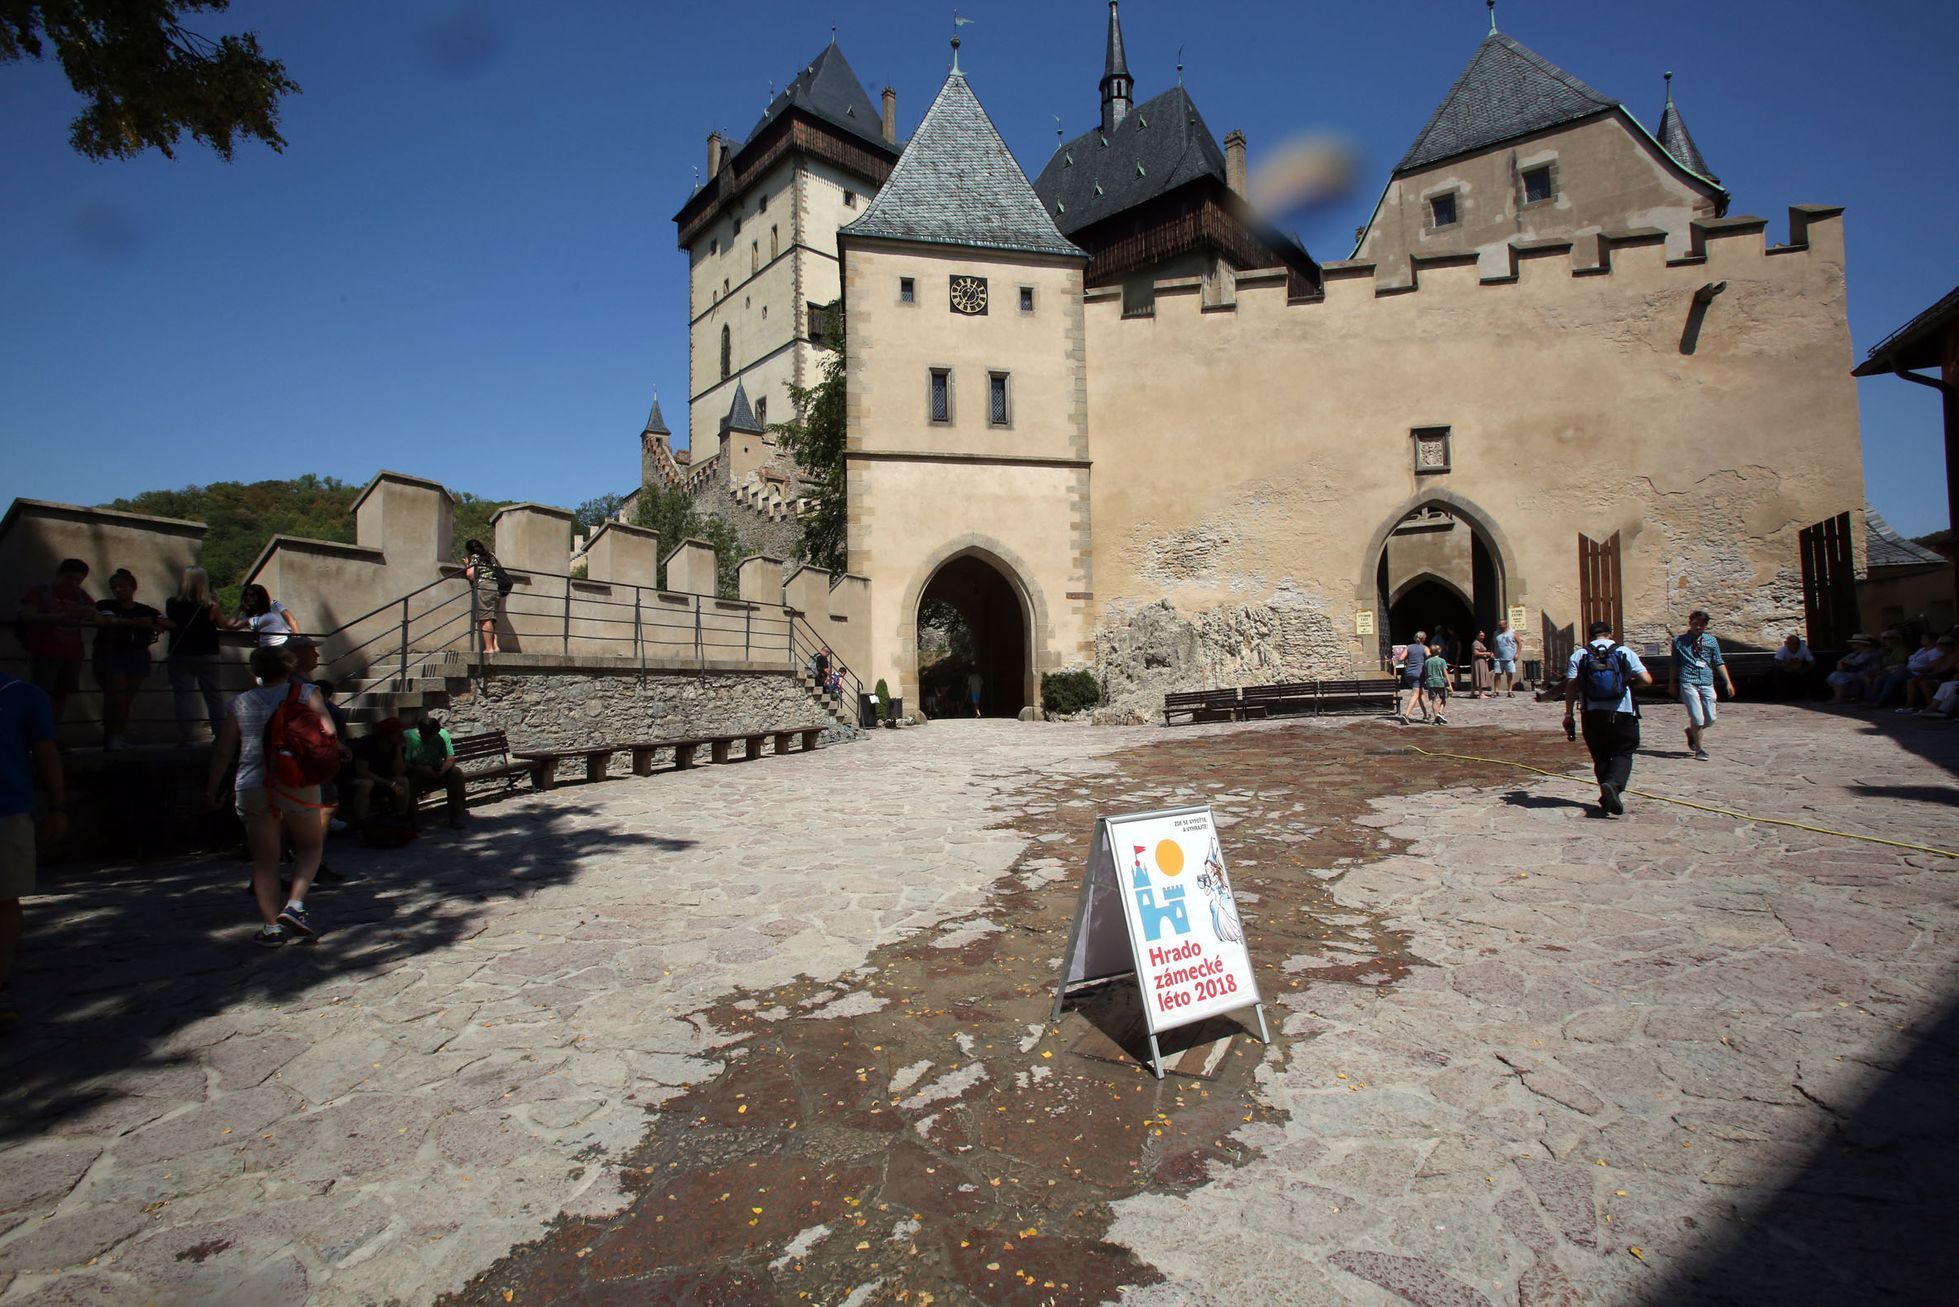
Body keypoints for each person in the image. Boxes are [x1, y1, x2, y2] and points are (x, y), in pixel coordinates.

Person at [206, 645, 336, 947]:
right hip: (296, 779)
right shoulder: (306, 694)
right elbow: (328, 731)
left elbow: (224, 751)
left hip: (252, 782)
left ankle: (270, 927)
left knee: (265, 861)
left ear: (256, 670)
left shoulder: (240, 702)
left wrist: (212, 790)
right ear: (289, 667)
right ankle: (294, 906)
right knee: (309, 847)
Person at [0, 673, 63, 1026]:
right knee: (6, 902)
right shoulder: (23, 694)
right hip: (8, 812)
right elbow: (46, 754)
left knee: (6, 901)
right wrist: (57, 806)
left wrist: (56, 806)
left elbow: (46, 753)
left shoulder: (22, 694)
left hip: (8, 810)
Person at [1564, 620, 1653, 817]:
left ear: (1589, 636)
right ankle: (1613, 785)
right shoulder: (1624, 652)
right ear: (1610, 634)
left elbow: (1571, 686)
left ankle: (1607, 798)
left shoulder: (1580, 655)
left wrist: (1568, 714)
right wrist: (1629, 681)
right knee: (1624, 751)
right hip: (1622, 711)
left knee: (1600, 755)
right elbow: (1647, 679)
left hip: (1591, 712)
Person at [92, 569, 170, 750]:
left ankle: (117, 735)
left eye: (122, 586)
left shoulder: (146, 609)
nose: (118, 590)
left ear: (132, 587)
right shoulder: (106, 605)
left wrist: (151, 623)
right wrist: (138, 623)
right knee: (118, 695)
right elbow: (109, 622)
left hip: (138, 653)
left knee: (127, 697)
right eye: (114, 587)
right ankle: (111, 735)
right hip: (112, 653)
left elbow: (169, 623)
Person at [15, 558, 96, 726]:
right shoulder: (40, 590)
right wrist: (57, 618)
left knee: (61, 695)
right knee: (41, 694)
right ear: (59, 574)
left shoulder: (81, 595)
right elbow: (27, 615)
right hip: (45, 650)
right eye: (69, 578)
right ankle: (38, 735)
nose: (73, 583)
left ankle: (53, 734)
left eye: (78, 580)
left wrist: (87, 613)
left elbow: (94, 614)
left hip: (72, 653)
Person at [165, 566, 235, 745]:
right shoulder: (211, 606)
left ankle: (186, 735)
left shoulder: (172, 603)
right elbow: (225, 625)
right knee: (213, 695)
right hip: (207, 654)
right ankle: (219, 734)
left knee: (183, 696)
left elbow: (174, 622)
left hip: (180, 654)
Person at [1668, 609, 1736, 761]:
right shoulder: (1679, 641)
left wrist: (1728, 682)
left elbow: (1718, 661)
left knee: (1710, 719)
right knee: (1697, 718)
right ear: (1690, 623)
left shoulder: (1711, 641)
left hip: (1706, 680)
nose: (1697, 627)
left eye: (1701, 624)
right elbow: (1674, 664)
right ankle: (1699, 749)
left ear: (1705, 625)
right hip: (1688, 680)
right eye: (1695, 624)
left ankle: (1691, 731)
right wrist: (1672, 683)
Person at [345, 717, 411, 826]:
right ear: (387, 734)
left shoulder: (397, 746)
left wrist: (399, 749)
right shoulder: (367, 743)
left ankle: (399, 817)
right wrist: (390, 783)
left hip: (383, 779)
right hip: (359, 779)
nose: (401, 737)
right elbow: (362, 772)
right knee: (366, 784)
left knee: (403, 781)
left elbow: (398, 772)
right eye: (397, 734)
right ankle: (360, 822)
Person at [404, 715, 467, 829]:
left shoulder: (442, 735)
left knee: (456, 773)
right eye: (427, 736)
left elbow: (450, 757)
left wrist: (442, 770)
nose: (430, 739)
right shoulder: (408, 737)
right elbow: (404, 764)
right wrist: (422, 769)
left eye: (433, 736)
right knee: (408, 780)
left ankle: (456, 815)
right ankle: (413, 818)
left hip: (437, 770)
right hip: (417, 772)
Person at [462, 538, 507, 654]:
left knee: (485, 618)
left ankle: (489, 648)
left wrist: (468, 565)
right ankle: (495, 646)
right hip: (497, 587)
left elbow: (471, 575)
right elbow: (500, 568)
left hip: (485, 587)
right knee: (491, 618)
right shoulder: (491, 556)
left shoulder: (475, 557)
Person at [1903, 635, 1958, 713]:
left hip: (1948, 679)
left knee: (1924, 683)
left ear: (1952, 645)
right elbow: (1932, 668)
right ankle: (1911, 705)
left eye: (1945, 644)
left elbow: (1950, 671)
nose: (1942, 646)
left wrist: (1929, 675)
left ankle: (1932, 707)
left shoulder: (1955, 656)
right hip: (1939, 678)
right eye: (1940, 644)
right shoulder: (1942, 656)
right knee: (1913, 681)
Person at [239, 583, 299, 647]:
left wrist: (297, 640)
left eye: (252, 595)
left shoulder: (273, 605)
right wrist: (239, 609)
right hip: (265, 644)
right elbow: (233, 626)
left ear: (260, 596)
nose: (248, 597)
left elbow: (291, 620)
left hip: (283, 640)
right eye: (246, 595)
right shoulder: (246, 613)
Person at [1826, 634, 1881, 704]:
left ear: (1862, 644)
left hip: (1867, 672)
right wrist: (1841, 663)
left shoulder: (1870, 652)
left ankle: (1839, 698)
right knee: (1834, 676)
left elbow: (1857, 663)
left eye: (1855, 642)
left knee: (1838, 676)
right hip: (1856, 672)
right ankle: (1842, 697)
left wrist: (1845, 662)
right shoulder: (1857, 652)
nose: (1852, 644)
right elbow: (1842, 660)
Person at [1395, 631, 1429, 725]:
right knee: (1415, 694)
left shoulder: (1409, 647)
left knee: (1420, 693)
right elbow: (1429, 658)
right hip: (1419, 673)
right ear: (1424, 639)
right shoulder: (1425, 648)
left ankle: (1425, 715)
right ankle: (1406, 715)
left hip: (1409, 673)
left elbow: (1401, 658)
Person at [1771, 632, 1815, 698]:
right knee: (1777, 673)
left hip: (1800, 669)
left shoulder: (1804, 649)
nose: (1795, 646)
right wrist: (1788, 665)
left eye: (1797, 644)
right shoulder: (1782, 650)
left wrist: (1806, 669)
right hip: (1786, 670)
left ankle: (1811, 695)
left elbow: (1812, 662)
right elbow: (1776, 663)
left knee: (1812, 672)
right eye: (1792, 644)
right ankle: (1780, 696)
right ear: (1787, 644)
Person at [1422, 644, 1451, 724]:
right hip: (1440, 682)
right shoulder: (1442, 661)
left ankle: (1436, 718)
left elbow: (1425, 673)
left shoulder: (1427, 661)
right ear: (1439, 651)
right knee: (1443, 699)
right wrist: (1449, 685)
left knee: (1434, 700)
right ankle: (1440, 713)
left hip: (1430, 682)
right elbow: (1446, 673)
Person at [1493, 619, 1521, 696]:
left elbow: (1519, 643)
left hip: (1510, 658)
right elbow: (1492, 643)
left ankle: (1509, 691)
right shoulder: (1496, 633)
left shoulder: (1512, 632)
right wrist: (1492, 652)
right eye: (1498, 625)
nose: (1499, 627)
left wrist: (1517, 654)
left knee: (1510, 674)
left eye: (1500, 625)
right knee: (1497, 674)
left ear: (1505, 625)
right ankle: (1496, 691)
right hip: (1498, 658)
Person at [1470, 630, 1495, 698]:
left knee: (1477, 676)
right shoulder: (1476, 643)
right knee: (1479, 676)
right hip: (1479, 662)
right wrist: (1487, 653)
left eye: (1483, 636)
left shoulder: (1479, 643)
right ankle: (1481, 694)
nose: (1482, 637)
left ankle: (1472, 693)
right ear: (1477, 635)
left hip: (1481, 661)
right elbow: (1476, 653)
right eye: (1481, 635)